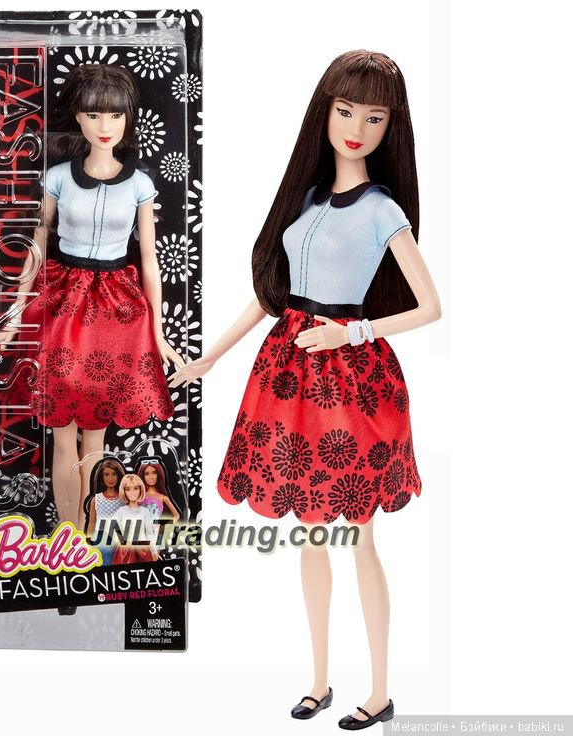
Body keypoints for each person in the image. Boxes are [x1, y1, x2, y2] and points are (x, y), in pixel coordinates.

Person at [170, 50, 441, 729]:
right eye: (345, 111)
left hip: (351, 382)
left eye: (374, 117)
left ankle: (380, 691)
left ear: (391, 126)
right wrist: (209, 358)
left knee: (358, 535)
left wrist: (353, 334)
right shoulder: (309, 199)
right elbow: (272, 297)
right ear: (325, 111)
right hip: (289, 376)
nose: (356, 128)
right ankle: (319, 681)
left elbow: (430, 306)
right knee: (310, 534)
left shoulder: (382, 210)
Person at [0, 64, 183, 530]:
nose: (105, 126)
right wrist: (15, 315)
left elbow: (149, 260)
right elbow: (37, 245)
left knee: (94, 441)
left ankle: (83, 537)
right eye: (94, 114)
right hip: (63, 301)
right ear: (78, 117)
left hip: (116, 311)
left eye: (115, 116)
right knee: (62, 437)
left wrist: (159, 334)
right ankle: (67, 537)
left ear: (127, 120)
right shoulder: (59, 177)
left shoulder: (139, 185)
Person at [84, 458, 126, 566]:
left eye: (114, 474)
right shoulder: (96, 499)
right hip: (101, 535)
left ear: (118, 476)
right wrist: (88, 542)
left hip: (119, 535)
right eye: (106, 475)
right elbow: (91, 523)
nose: (110, 478)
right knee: (104, 562)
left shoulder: (124, 498)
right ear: (101, 478)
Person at [111, 474, 160, 564]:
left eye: (136, 488)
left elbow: (149, 534)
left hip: (143, 550)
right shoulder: (122, 511)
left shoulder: (145, 511)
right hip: (126, 551)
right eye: (128, 489)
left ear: (140, 490)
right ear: (124, 491)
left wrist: (154, 551)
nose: (132, 492)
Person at [136, 459, 181, 524]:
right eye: (146, 474)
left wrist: (164, 525)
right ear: (143, 476)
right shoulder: (139, 496)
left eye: (154, 473)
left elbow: (176, 515)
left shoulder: (163, 497)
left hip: (155, 528)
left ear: (158, 474)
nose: (151, 477)